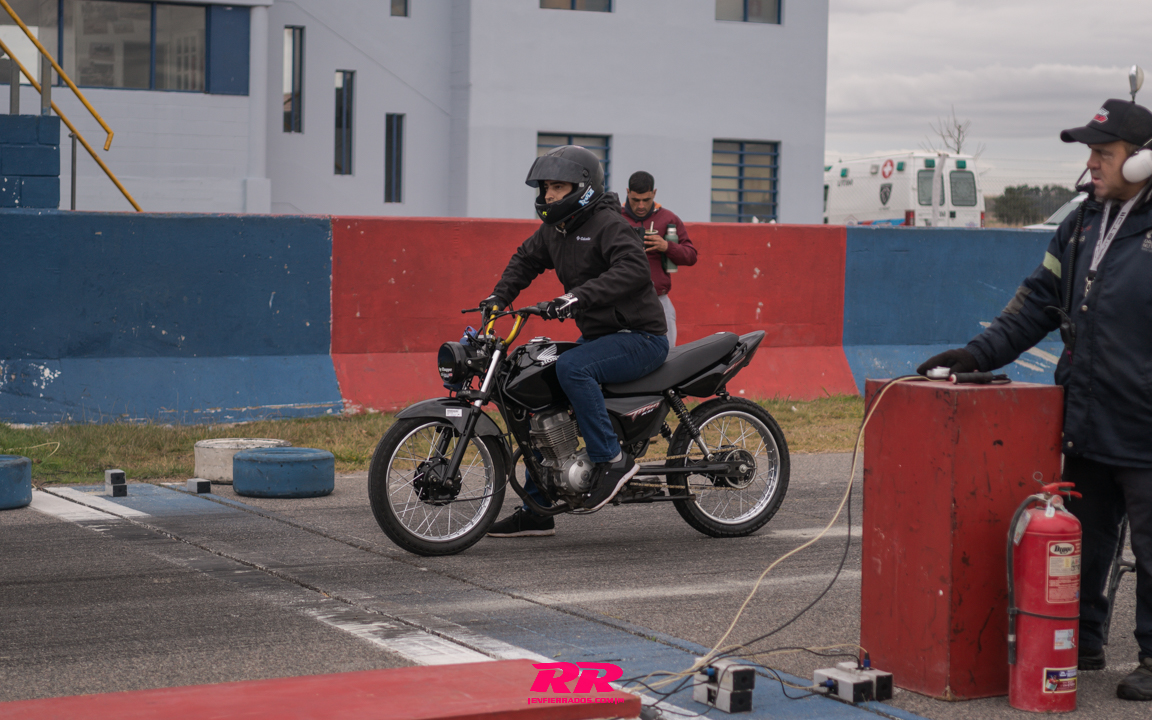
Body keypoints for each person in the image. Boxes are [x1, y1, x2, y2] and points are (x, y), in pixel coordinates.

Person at [917, 98, 1152, 702]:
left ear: (1142, 161)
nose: (1092, 163)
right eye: (1090, 153)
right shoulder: (1080, 223)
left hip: (1146, 422)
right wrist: (975, 355)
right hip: (1087, 416)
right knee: (1083, 537)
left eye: (1104, 153)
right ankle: (1082, 639)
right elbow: (1037, 302)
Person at [480, 146, 669, 537]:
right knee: (537, 382)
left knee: (572, 367)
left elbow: (633, 270)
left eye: (557, 187)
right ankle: (539, 508)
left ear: (582, 188)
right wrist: (499, 297)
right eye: (546, 187)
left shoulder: (608, 224)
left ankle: (612, 460)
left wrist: (577, 297)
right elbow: (526, 260)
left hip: (640, 336)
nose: (548, 195)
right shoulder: (557, 229)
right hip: (600, 336)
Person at [621, 171, 697, 347]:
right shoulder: (615, 216)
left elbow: (691, 256)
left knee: (668, 354)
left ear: (654, 193)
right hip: (623, 300)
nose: (641, 205)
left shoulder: (668, 218)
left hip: (658, 299)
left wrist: (666, 246)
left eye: (646, 200)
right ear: (627, 192)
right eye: (635, 200)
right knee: (623, 353)